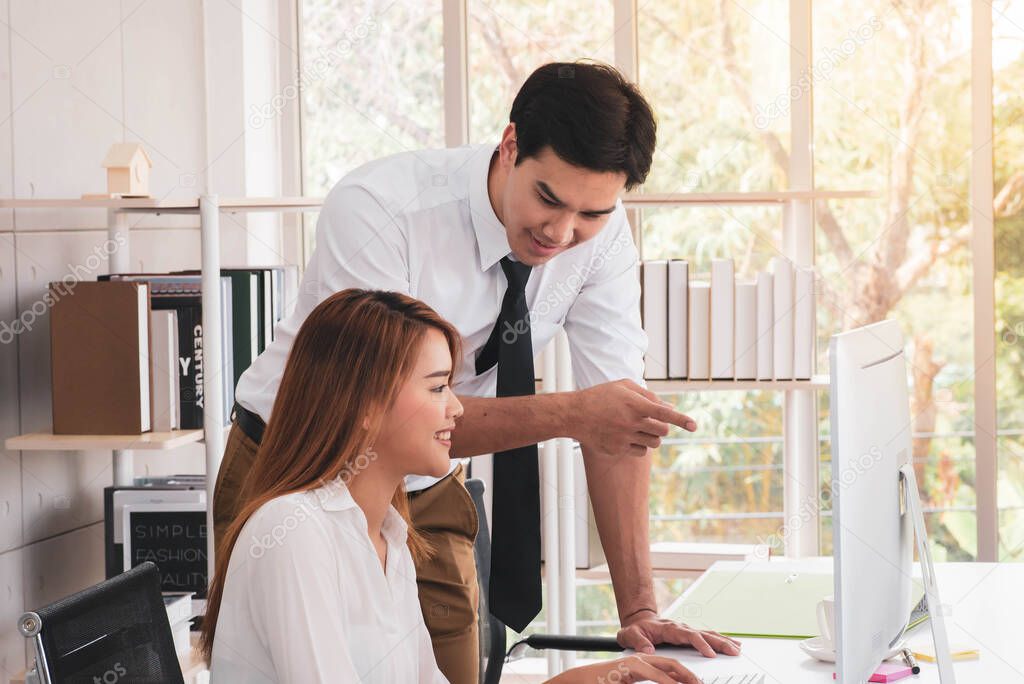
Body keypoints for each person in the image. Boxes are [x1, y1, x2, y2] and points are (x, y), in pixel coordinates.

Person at [215, 60, 740, 683]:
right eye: (548, 198)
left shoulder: (597, 233)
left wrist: (641, 611)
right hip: (299, 455)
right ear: (509, 145)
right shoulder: (382, 209)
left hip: (420, 466)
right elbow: (381, 409)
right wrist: (573, 414)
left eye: (591, 214)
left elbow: (617, 426)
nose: (562, 231)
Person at [202, 289, 725, 683]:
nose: (455, 407)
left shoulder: (388, 533)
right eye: (437, 387)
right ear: (363, 406)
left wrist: (583, 680)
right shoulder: (294, 535)